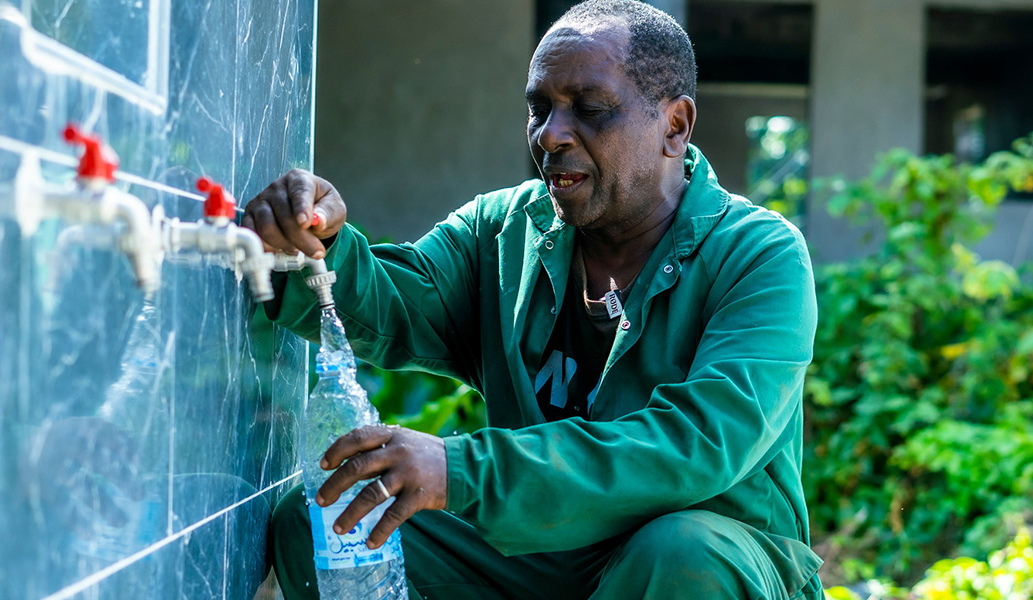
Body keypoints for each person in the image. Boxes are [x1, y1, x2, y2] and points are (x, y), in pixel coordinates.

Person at [243, 1, 822, 598]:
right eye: (539, 109)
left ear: (674, 125)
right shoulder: (503, 230)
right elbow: (393, 304)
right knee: (324, 522)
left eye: (590, 110)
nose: (551, 135)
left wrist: (463, 470)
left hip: (706, 562)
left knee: (678, 551)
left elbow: (697, 445)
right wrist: (314, 243)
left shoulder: (759, 255)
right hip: (543, 549)